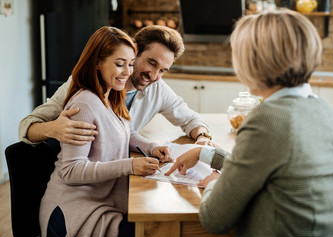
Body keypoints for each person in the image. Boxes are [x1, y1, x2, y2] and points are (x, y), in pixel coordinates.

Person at [166, 9, 333, 237]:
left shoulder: (269, 119)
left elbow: (214, 218)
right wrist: (205, 153)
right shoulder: (328, 112)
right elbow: (267, 165)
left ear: (255, 61)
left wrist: (216, 183)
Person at [40, 26, 172, 237]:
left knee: (151, 226)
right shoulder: (84, 104)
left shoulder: (111, 96)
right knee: (151, 233)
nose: (127, 72)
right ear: (98, 63)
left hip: (99, 201)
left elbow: (126, 132)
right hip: (73, 211)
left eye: (130, 64)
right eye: (119, 64)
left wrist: (152, 147)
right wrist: (130, 166)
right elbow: (72, 171)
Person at [18, 25, 214, 147]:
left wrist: (203, 136)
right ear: (134, 50)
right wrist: (53, 129)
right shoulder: (83, 86)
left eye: (163, 70)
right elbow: (26, 126)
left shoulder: (157, 88)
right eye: (152, 63)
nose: (154, 76)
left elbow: (189, 118)